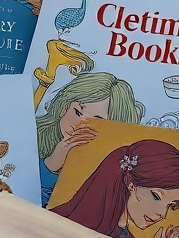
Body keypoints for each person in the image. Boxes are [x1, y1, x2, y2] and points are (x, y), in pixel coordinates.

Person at [50, 138, 179, 238]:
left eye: (170, 205)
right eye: (156, 196)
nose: (162, 214)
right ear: (131, 184)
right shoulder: (61, 223)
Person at [36, 71, 144, 206]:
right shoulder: (35, 133)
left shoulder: (114, 168)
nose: (78, 125)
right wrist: (50, 165)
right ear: (64, 106)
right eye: (77, 112)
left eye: (95, 122)